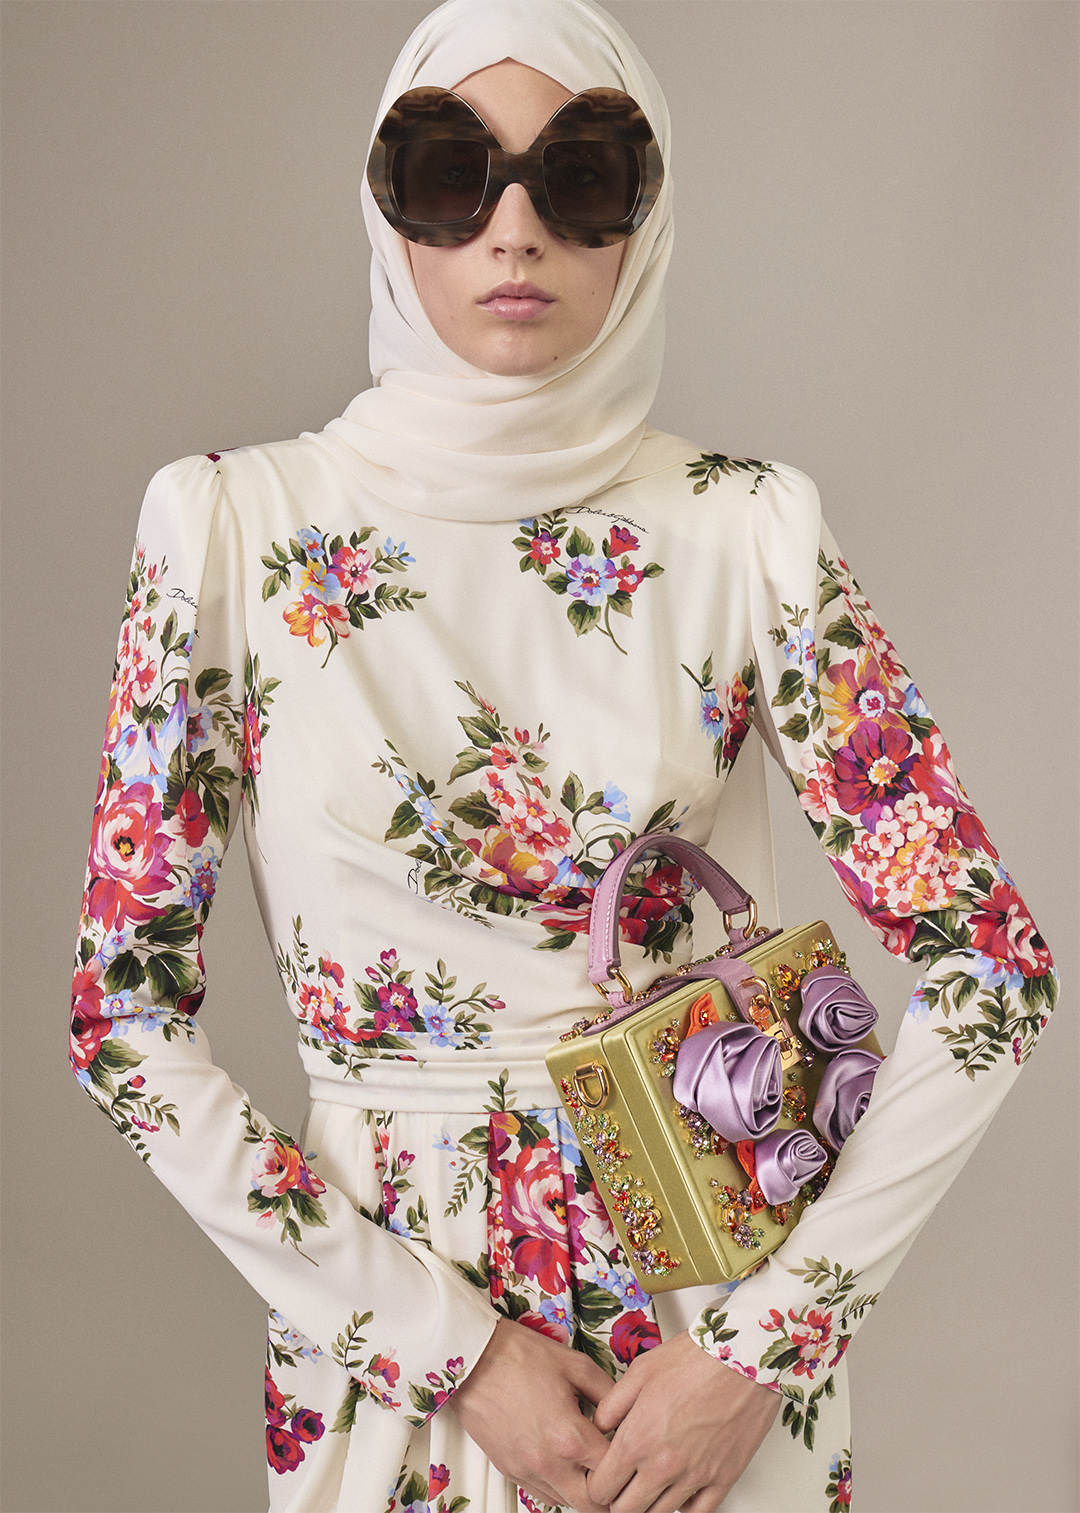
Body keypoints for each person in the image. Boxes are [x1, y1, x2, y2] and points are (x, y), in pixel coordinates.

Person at [69, 1, 1057, 1510]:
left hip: (707, 1339)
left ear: (641, 220)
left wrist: (766, 1347)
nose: (514, 228)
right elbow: (121, 1019)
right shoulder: (230, 527)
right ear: (385, 208)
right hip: (391, 1325)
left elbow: (995, 966)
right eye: (448, 173)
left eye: (582, 175)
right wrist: (450, 1349)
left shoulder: (745, 528)